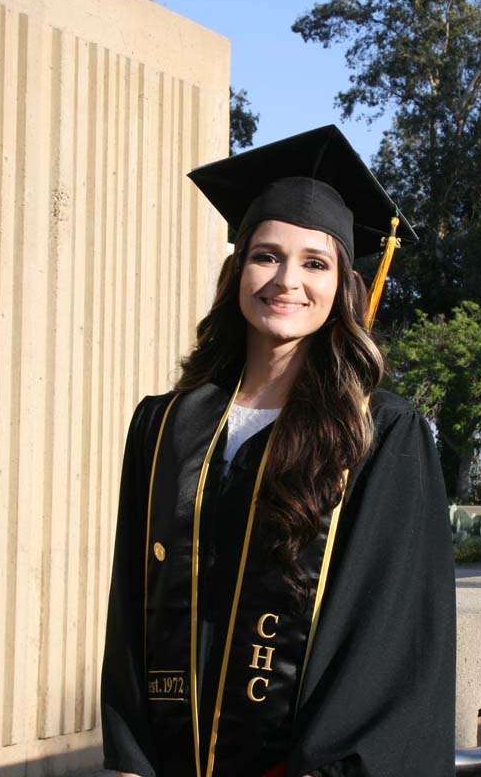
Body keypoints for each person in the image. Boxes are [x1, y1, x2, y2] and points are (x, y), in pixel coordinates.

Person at [100, 126, 456, 777]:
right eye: (267, 256)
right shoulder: (165, 425)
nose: (287, 280)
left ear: (343, 283)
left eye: (315, 263)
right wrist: (129, 759)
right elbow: (132, 607)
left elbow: (389, 635)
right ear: (238, 270)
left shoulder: (379, 435)